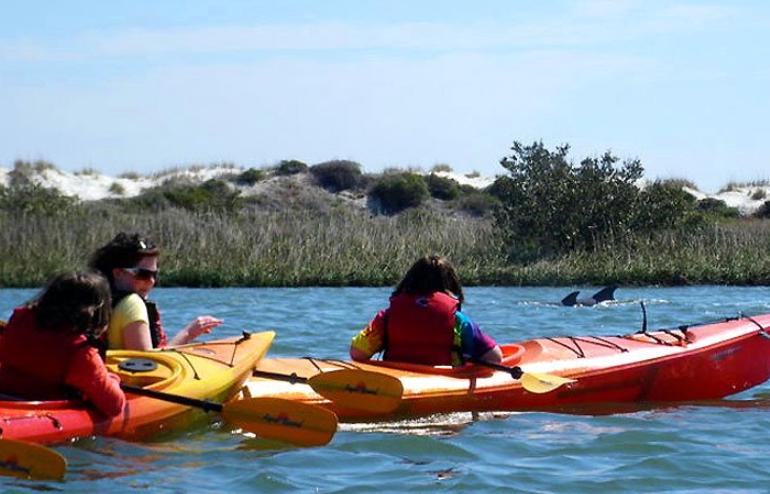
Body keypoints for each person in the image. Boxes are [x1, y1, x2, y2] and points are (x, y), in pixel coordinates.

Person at [0, 272, 126, 417]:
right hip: (37, 414)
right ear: (98, 311)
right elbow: (115, 406)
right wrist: (113, 379)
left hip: (4, 398)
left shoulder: (20, 318)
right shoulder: (81, 353)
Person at [350, 255, 503, 366]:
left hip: (396, 381)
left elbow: (357, 353)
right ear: (450, 285)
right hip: (442, 382)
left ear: (409, 280)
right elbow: (495, 357)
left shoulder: (388, 316)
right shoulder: (458, 320)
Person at [89, 232, 223, 350]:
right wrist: (188, 333)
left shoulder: (93, 302)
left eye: (154, 274)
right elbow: (147, 364)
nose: (151, 281)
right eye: (143, 274)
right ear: (118, 273)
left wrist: (190, 333)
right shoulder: (132, 304)